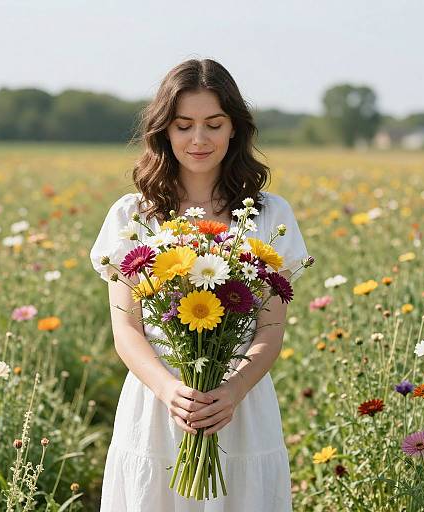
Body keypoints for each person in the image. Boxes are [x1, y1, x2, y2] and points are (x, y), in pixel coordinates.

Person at [90, 58, 309, 511]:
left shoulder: (268, 215)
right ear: (164, 131)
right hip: (157, 402)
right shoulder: (134, 216)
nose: (198, 139)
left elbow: (271, 329)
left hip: (239, 403)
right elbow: (127, 328)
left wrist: (231, 389)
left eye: (214, 123)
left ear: (235, 128)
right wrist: (169, 390)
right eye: (183, 125)